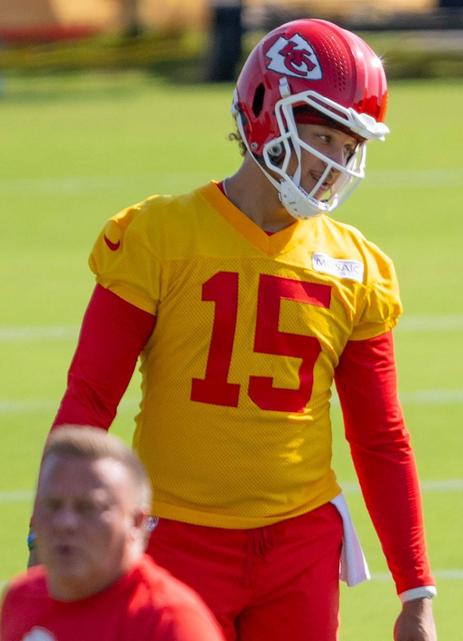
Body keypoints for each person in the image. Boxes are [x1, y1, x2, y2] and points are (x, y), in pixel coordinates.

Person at [44, 18, 436, 641]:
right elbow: (90, 396)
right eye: (320, 137)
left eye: (347, 146)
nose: (334, 164)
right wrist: (51, 529)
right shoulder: (160, 236)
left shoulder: (358, 266)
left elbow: (381, 436)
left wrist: (416, 589)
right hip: (174, 536)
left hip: (300, 545)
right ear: (264, 115)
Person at [2, 427, 225, 641]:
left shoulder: (170, 623)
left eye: (88, 508)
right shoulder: (22, 598)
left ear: (137, 523)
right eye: (52, 505)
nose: (65, 523)